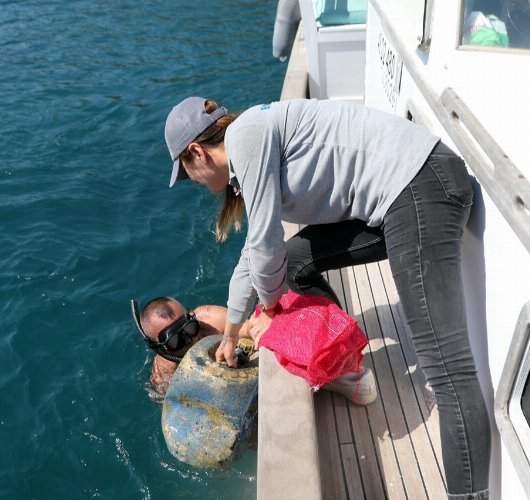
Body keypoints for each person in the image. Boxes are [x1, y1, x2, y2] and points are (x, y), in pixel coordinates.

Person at [163, 97, 489, 499]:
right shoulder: (249, 140)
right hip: (402, 199)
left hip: (421, 188)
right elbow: (255, 252)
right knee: (298, 260)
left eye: (186, 172)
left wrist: (268, 311)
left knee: (447, 368)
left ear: (196, 151)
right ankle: (345, 364)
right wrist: (231, 333)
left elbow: (266, 246)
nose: (193, 181)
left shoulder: (245, 136)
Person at [132, 296, 376, 403]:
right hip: (218, 393)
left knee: (281, 321)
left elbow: (253, 328)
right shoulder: (165, 373)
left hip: (243, 367)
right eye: (177, 341)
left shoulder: (209, 319)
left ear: (192, 316)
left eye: (190, 326)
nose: (192, 339)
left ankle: (339, 373)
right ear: (161, 349)